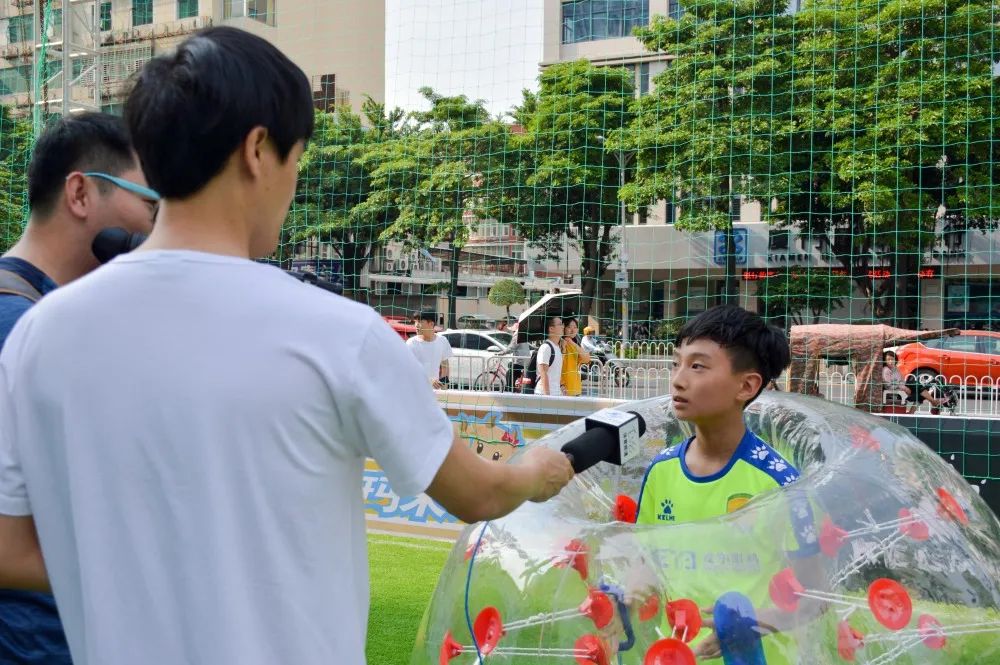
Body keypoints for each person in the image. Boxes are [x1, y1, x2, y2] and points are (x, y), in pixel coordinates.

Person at [0, 27, 574, 665]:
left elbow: (9, 545)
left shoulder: (41, 336)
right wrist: (539, 469)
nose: (294, 181)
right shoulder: (340, 335)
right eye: (296, 159)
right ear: (257, 150)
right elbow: (480, 494)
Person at [0, 112, 158, 665]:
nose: (158, 227)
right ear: (80, 193)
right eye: (150, 203)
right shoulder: (21, 327)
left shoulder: (47, 316)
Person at [635, 305, 818, 661]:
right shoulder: (661, 470)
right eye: (677, 363)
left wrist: (752, 624)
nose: (678, 380)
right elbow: (646, 559)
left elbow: (816, 596)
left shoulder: (782, 484)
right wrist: (628, 597)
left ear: (746, 385)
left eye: (698, 366)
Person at [406, 311, 452, 389]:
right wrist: (429, 381)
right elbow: (407, 370)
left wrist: (443, 387)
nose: (416, 325)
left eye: (420, 322)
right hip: (415, 390)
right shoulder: (411, 343)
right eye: (415, 322)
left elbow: (445, 367)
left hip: (435, 392)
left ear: (431, 324)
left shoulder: (442, 341)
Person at [559, 316, 590, 397]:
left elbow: (587, 359)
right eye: (569, 327)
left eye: (575, 327)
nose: (572, 330)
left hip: (575, 387)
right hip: (563, 388)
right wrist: (561, 384)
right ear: (563, 328)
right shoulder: (559, 343)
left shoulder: (574, 344)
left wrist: (571, 342)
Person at [536, 315, 564, 396]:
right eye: (560, 324)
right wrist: (547, 397)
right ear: (551, 329)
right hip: (544, 395)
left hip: (555, 393)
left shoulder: (557, 347)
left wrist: (561, 389)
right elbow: (543, 373)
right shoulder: (546, 347)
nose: (563, 327)